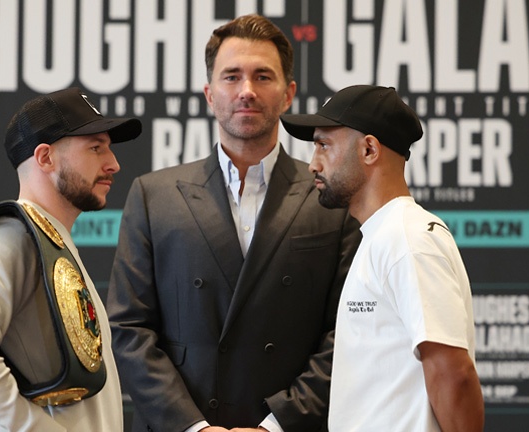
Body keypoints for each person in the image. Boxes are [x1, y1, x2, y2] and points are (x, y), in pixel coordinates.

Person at [107, 14, 361, 432]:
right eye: (231, 77)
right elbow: (129, 327)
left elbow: (348, 331)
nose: (246, 91)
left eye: (263, 76)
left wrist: (275, 425)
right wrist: (195, 428)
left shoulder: (331, 199)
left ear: (288, 93)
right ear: (210, 93)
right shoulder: (154, 196)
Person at [0, 87, 142, 432]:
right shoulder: (12, 238)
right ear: (45, 158)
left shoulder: (48, 240)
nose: (113, 164)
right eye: (95, 148)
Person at [280, 84, 485, 431]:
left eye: (323, 145)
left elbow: (454, 374)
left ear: (370, 149)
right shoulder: (381, 238)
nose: (313, 163)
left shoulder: (407, 238)